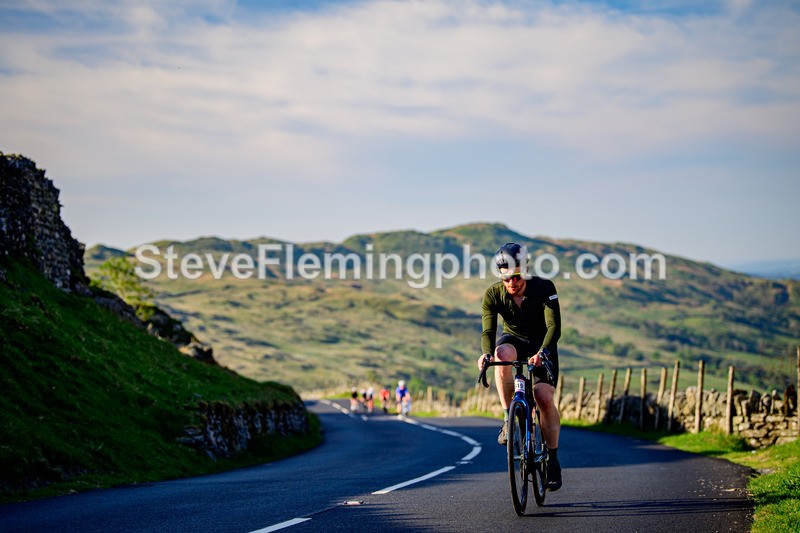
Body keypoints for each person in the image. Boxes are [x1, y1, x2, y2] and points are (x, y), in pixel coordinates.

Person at [477, 242, 563, 491]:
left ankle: (554, 460)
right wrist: (485, 355)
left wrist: (542, 352)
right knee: (500, 354)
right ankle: (508, 418)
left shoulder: (544, 287)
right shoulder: (493, 294)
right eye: (506, 279)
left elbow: (554, 327)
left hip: (542, 343)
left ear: (525, 270)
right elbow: (488, 330)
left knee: (543, 396)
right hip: (514, 340)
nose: (512, 283)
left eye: (516, 277)